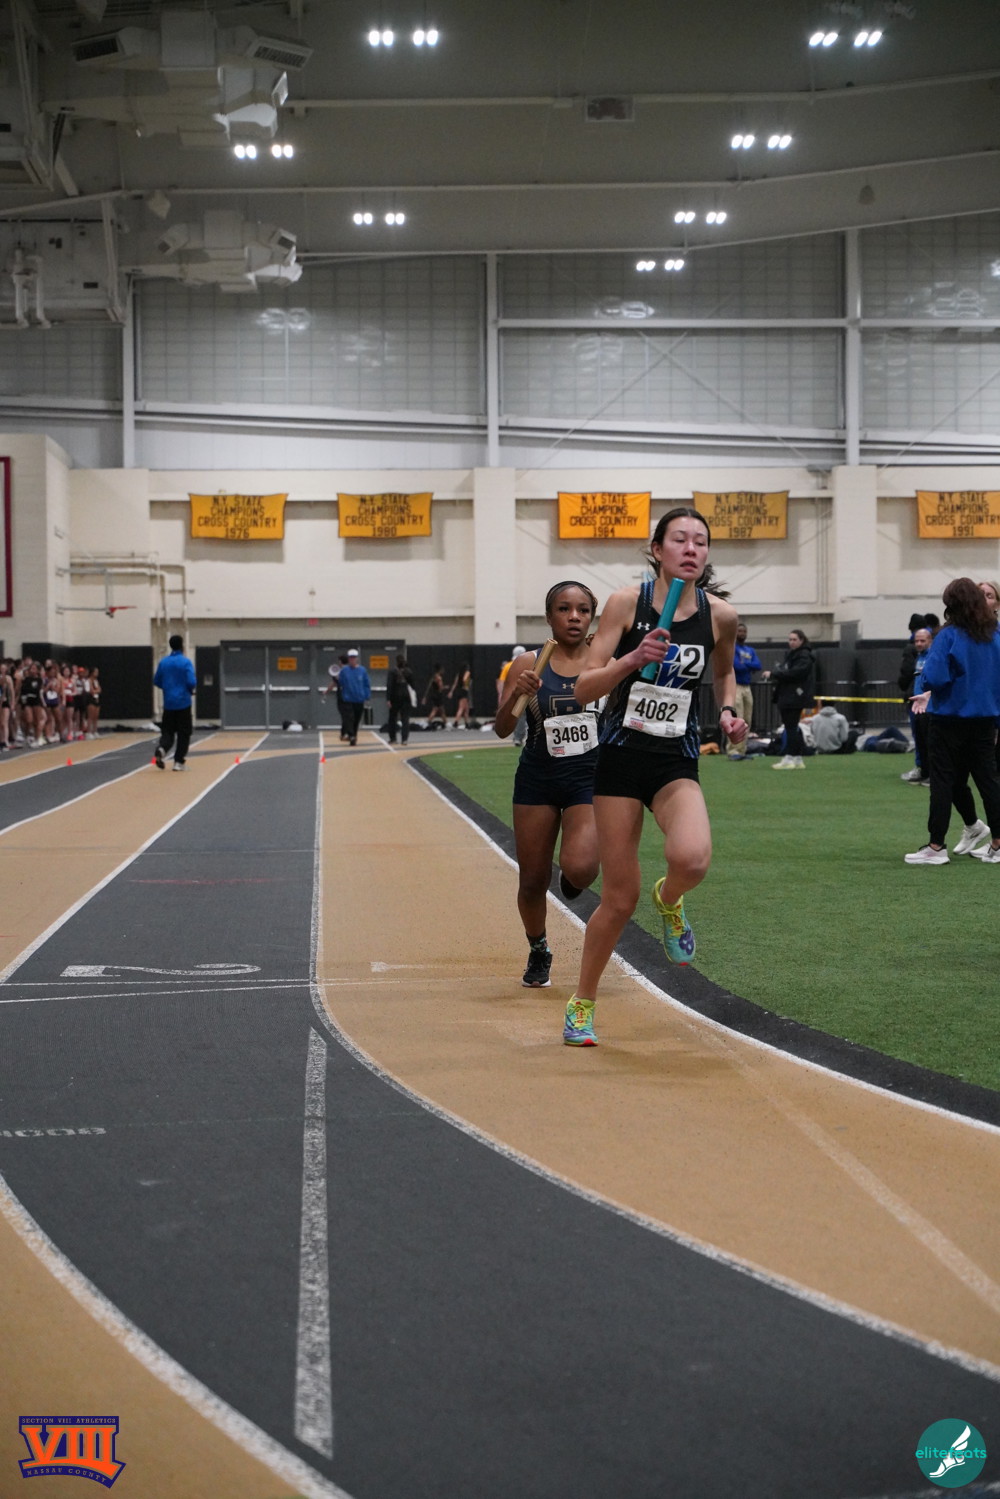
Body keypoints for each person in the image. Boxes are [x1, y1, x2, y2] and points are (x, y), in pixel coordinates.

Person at [561, 506, 747, 1046]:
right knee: (620, 898)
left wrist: (729, 712)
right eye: (680, 539)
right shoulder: (627, 603)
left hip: (674, 761)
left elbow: (725, 671)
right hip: (620, 759)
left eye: (700, 541)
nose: (691, 548)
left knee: (692, 858)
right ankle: (582, 1003)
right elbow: (583, 688)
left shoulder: (720, 616)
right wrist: (631, 659)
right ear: (658, 549)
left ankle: (671, 899)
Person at [494, 582, 601, 988]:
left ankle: (572, 876)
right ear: (548, 616)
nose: (574, 616)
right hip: (538, 779)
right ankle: (538, 948)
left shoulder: (605, 660)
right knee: (532, 881)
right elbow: (503, 729)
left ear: (592, 617)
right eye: (564, 608)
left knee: (582, 868)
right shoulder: (529, 662)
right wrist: (515, 695)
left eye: (583, 610)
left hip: (588, 779)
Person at [904, 577, 1000, 865]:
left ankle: (936, 846)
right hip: (985, 719)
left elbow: (934, 677)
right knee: (988, 782)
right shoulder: (994, 634)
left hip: (949, 718)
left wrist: (929, 687)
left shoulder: (949, 635)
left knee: (943, 782)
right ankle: (997, 843)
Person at [762, 629, 816, 770]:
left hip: (793, 696)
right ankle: (797, 758)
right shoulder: (795, 655)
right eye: (790, 639)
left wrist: (774, 674)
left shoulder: (804, 656)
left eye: (794, 639)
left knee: (791, 727)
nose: (791, 642)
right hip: (791, 695)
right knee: (793, 727)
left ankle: (789, 757)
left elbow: (795, 673)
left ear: (801, 640)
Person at [153, 634, 196, 770]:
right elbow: (191, 682)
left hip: (169, 704)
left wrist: (168, 687)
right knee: (184, 734)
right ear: (182, 646)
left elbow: (156, 680)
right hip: (183, 703)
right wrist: (189, 689)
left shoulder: (164, 662)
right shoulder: (185, 662)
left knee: (167, 732)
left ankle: (162, 748)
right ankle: (178, 762)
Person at [727, 621, 761, 758]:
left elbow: (758, 665)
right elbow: (736, 666)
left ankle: (742, 750)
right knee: (738, 718)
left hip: (747, 687)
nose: (742, 634)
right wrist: (748, 664)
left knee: (747, 719)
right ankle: (733, 750)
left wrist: (745, 664)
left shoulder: (750, 650)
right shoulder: (732, 648)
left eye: (744, 631)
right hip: (735, 686)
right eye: (739, 631)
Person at [338, 648, 371, 745]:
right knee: (349, 718)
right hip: (348, 699)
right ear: (348, 659)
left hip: (359, 699)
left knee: (356, 719)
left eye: (354, 657)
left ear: (357, 659)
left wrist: (367, 696)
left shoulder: (362, 670)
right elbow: (341, 683)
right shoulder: (344, 671)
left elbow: (366, 684)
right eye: (350, 658)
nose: (352, 659)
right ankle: (351, 735)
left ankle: (354, 736)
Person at [386, 653, 416, 745]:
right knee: (405, 719)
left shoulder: (392, 672)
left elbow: (389, 686)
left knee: (392, 718)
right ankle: (404, 739)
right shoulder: (408, 672)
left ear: (396, 662)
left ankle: (393, 738)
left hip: (395, 697)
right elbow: (413, 685)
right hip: (406, 696)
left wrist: (388, 699)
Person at [449, 664, 472, 729]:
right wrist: (466, 685)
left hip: (459, 690)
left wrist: (451, 691)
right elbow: (464, 679)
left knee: (466, 708)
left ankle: (467, 723)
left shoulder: (459, 674)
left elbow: (455, 683)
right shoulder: (467, 672)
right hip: (464, 691)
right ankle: (456, 722)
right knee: (461, 708)